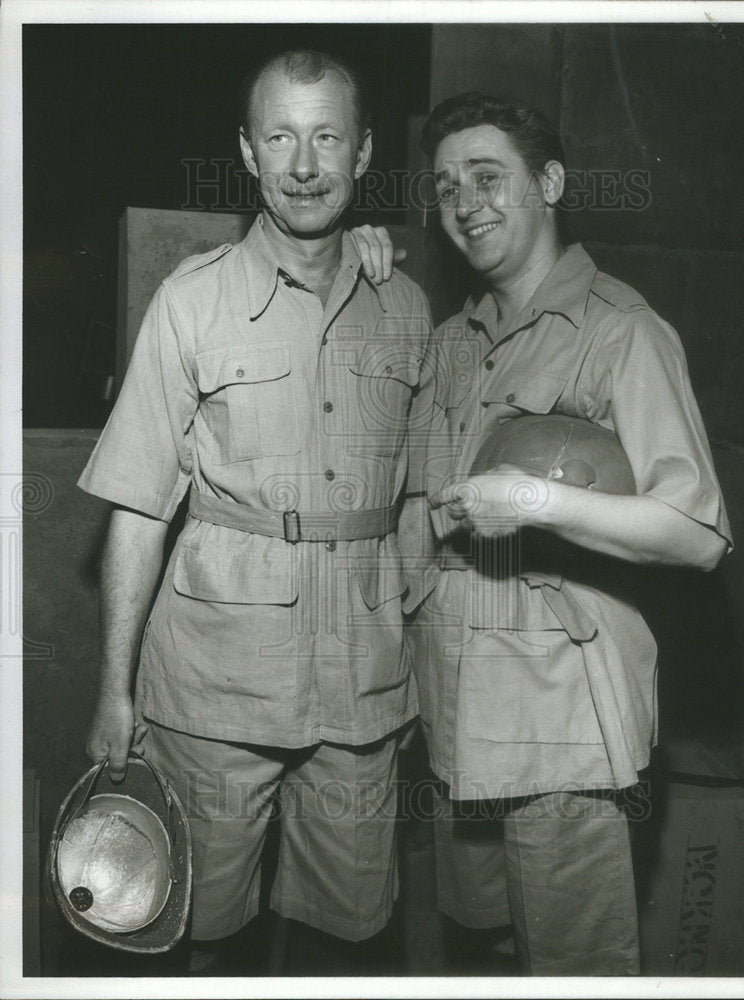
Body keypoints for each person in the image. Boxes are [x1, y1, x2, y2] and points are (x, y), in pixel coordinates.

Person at [360, 91, 733, 975]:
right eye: (446, 186)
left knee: (576, 967)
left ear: (551, 184)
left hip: (560, 723)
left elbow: (697, 532)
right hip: (459, 713)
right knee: (484, 952)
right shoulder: (454, 342)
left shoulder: (620, 331)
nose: (466, 204)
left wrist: (533, 501)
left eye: (489, 178)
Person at [78, 49, 431, 973]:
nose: (304, 165)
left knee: (349, 940)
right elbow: (139, 510)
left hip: (361, 695)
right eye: (280, 138)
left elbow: (421, 505)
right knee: (200, 932)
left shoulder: (405, 305)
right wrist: (115, 689)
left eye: (327, 138)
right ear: (247, 152)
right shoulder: (191, 302)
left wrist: (417, 662)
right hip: (215, 693)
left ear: (364, 153)